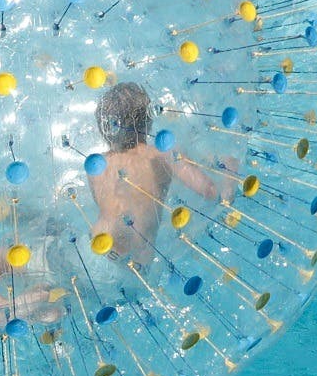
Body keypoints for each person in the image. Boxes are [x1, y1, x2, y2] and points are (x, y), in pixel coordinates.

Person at [84, 82, 223, 269]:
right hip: (135, 263)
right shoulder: (161, 154)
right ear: (148, 121)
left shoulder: (96, 165)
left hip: (95, 250)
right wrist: (224, 165)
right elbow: (209, 190)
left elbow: (104, 204)